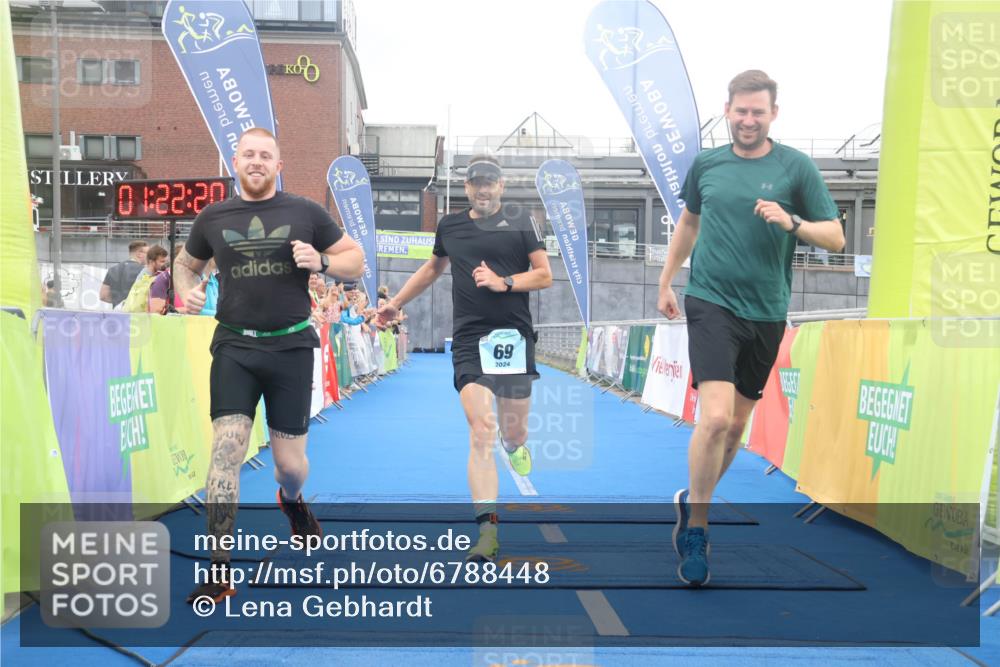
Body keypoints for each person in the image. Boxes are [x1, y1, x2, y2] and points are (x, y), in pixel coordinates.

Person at [657, 70, 845, 586]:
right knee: (714, 419)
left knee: (737, 427)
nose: (748, 120)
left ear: (773, 114)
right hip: (711, 300)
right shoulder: (707, 165)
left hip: (765, 311)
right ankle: (698, 526)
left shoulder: (796, 168)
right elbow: (689, 224)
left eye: (758, 112)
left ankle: (691, 500)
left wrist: (793, 223)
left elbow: (836, 238)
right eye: (740, 111)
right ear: (728, 111)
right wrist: (666, 280)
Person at [173, 127, 365, 603]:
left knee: (289, 466)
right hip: (235, 347)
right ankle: (220, 569)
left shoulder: (304, 212)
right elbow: (184, 264)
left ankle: (293, 501)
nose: (256, 162)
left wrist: (320, 259)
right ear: (234, 162)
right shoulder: (213, 217)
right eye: (248, 155)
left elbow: (356, 261)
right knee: (226, 451)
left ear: (279, 166)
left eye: (266, 156)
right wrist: (186, 290)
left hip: (290, 348)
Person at [376, 154, 552, 562]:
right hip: (471, 339)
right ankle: (487, 532)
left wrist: (503, 281)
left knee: (513, 432)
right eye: (476, 183)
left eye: (490, 182)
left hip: (512, 337)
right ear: (467, 188)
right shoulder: (450, 225)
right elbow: (432, 269)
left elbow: (544, 275)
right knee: (481, 429)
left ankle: (515, 445)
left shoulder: (522, 220)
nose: (484, 189)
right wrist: (395, 303)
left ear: (502, 186)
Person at [100, 240, 147, 309]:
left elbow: (103, 295)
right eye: (148, 253)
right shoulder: (144, 271)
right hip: (136, 314)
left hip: (118, 313)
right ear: (139, 254)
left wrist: (117, 301)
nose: (150, 256)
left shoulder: (113, 269)